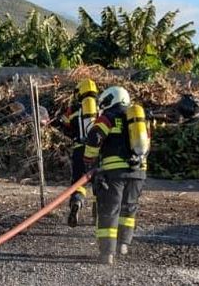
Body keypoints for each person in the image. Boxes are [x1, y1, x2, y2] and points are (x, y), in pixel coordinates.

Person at [83, 86, 149, 265]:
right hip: (138, 172)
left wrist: (89, 160)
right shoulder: (136, 119)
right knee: (129, 209)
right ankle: (123, 245)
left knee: (109, 210)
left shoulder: (107, 118)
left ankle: (107, 254)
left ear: (111, 99)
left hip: (114, 172)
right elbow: (145, 144)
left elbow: (95, 137)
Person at [58, 79, 99, 227]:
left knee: (78, 180)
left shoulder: (74, 109)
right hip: (97, 150)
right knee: (99, 181)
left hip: (79, 149)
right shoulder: (101, 108)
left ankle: (77, 201)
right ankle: (97, 214)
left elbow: (65, 124)